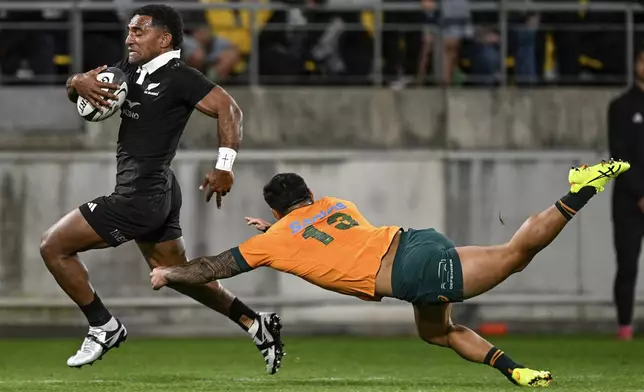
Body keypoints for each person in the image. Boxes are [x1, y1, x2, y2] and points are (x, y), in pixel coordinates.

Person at [150, 159, 630, 387]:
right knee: (438, 332)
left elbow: (213, 268)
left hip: (408, 270)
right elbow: (315, 229)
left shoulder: (271, 241)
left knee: (516, 254)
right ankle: (515, 370)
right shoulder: (336, 204)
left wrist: (169, 275)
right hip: (417, 243)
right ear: (310, 193)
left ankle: (579, 191)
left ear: (273, 208)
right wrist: (278, 225)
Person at [40, 4, 284, 374]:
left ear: (164, 38)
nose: (129, 38)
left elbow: (230, 109)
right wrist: (77, 82)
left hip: (140, 196)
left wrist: (224, 166)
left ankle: (102, 325)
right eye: (130, 31)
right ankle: (255, 322)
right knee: (179, 275)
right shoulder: (129, 69)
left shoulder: (180, 77)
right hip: (158, 187)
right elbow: (85, 88)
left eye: (138, 31)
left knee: (53, 246)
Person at [607, 47, 644, 341]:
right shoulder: (620, 106)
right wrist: (640, 192)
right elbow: (618, 156)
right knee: (628, 264)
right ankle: (625, 327)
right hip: (628, 202)